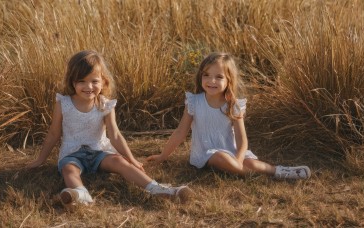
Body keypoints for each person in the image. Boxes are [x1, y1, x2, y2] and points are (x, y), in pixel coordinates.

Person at [26, 50, 192, 205]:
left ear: (103, 81)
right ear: (72, 81)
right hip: (72, 153)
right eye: (81, 81)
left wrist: (132, 159)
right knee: (69, 170)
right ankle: (80, 193)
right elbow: (54, 133)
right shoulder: (64, 103)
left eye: (94, 81)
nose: (88, 87)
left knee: (120, 162)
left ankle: (158, 189)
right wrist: (40, 159)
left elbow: (115, 135)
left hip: (99, 152)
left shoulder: (105, 105)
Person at [146, 52, 311, 180]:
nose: (211, 81)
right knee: (220, 157)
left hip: (231, 150)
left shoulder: (233, 105)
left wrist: (239, 159)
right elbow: (180, 133)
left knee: (251, 162)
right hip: (206, 153)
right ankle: (247, 175)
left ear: (229, 80)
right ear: (200, 77)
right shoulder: (194, 102)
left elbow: (242, 139)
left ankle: (280, 171)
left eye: (219, 77)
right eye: (206, 75)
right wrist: (162, 156)